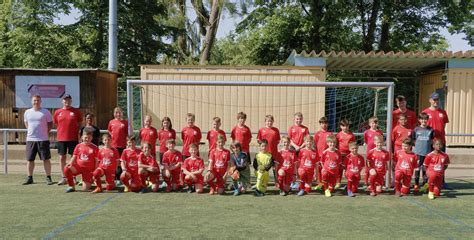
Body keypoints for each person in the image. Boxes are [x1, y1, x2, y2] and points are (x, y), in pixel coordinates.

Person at [422, 92, 450, 189]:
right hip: (429, 142)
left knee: (441, 162)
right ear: (430, 100)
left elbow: (444, 125)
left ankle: (441, 181)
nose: (436, 101)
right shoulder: (425, 112)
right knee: (427, 162)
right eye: (434, 100)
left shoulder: (443, 112)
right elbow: (422, 126)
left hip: (441, 141)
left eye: (437, 99)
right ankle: (426, 181)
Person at [23, 95, 53, 185]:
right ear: (31, 101)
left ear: (41, 101)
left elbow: (50, 124)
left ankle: (48, 177)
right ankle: (29, 178)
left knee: (46, 159)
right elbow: (26, 123)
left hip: (43, 139)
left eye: (38, 100)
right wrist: (31, 132)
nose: (36, 102)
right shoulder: (27, 112)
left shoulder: (46, 112)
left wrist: (45, 132)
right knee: (30, 159)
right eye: (34, 100)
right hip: (30, 140)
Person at [54, 94, 82, 185]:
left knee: (73, 158)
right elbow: (56, 123)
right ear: (62, 101)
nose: (67, 101)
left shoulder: (76, 111)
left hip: (73, 138)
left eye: (68, 100)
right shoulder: (58, 112)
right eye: (65, 100)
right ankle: (64, 177)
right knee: (62, 157)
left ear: (71, 101)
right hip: (61, 138)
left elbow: (80, 123)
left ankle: (73, 176)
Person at [411, 112, 434, 192]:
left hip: (427, 153)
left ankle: (424, 185)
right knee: (417, 168)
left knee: (425, 169)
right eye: (422, 119)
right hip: (418, 153)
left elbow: (431, 141)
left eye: (425, 119)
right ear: (419, 120)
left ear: (427, 120)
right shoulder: (416, 129)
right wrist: (416, 150)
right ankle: (416, 184)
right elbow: (413, 140)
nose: (424, 121)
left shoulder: (430, 130)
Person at [257, 114, 281, 187]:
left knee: (275, 168)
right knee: (264, 167)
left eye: (271, 121)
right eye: (268, 121)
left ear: (273, 121)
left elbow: (278, 141)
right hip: (265, 153)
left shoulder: (276, 130)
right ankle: (263, 181)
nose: (269, 123)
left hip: (274, 153)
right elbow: (259, 140)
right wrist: (263, 148)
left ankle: (276, 181)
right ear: (265, 122)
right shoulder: (261, 130)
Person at [230, 112, 252, 188]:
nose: (241, 120)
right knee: (235, 166)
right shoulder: (235, 128)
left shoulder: (247, 129)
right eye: (240, 118)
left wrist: (244, 148)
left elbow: (249, 139)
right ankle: (235, 182)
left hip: (245, 151)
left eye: (243, 118)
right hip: (236, 152)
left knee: (246, 167)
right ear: (238, 119)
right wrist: (236, 149)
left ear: (245, 119)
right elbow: (233, 140)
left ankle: (247, 181)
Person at [108, 107, 129, 184]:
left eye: (119, 112)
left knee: (121, 161)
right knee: (114, 162)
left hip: (122, 145)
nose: (118, 114)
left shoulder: (125, 122)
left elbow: (126, 133)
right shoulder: (111, 122)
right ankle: (114, 177)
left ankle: (120, 177)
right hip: (114, 145)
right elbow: (110, 131)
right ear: (114, 114)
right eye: (116, 112)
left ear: (122, 113)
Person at [363, 116, 384, 190]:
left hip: (378, 153)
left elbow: (381, 141)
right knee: (368, 167)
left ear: (377, 124)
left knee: (377, 167)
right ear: (369, 124)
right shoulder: (367, 132)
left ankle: (377, 182)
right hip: (370, 153)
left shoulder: (380, 132)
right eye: (372, 123)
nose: (374, 125)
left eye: (375, 123)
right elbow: (366, 141)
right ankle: (366, 182)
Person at [313, 116, 333, 190]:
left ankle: (326, 184)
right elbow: (314, 144)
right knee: (319, 169)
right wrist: (315, 153)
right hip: (318, 155)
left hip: (327, 156)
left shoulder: (330, 133)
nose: (324, 125)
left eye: (325, 123)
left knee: (326, 169)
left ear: (327, 124)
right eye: (322, 123)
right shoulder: (317, 134)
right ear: (320, 124)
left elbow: (332, 144)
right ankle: (320, 183)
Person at [335, 119, 355, 189]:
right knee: (339, 169)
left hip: (348, 155)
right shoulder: (338, 135)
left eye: (347, 126)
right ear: (340, 126)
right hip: (340, 155)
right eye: (343, 126)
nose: (345, 127)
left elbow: (353, 145)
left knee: (348, 169)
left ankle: (349, 182)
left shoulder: (351, 135)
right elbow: (336, 144)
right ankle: (338, 182)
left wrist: (352, 153)